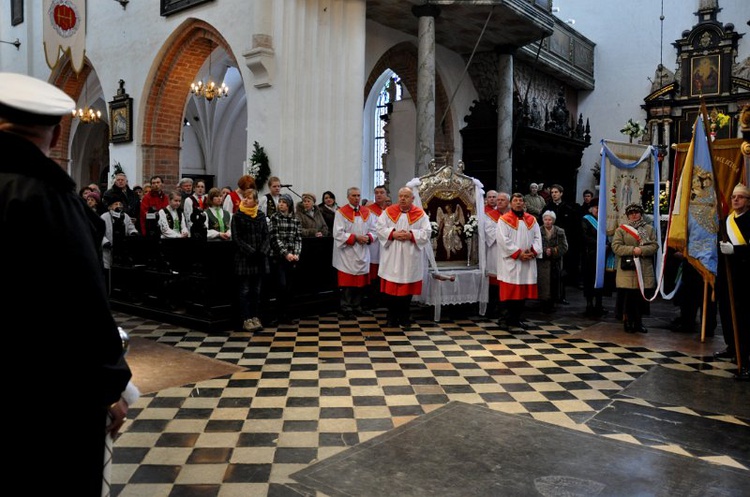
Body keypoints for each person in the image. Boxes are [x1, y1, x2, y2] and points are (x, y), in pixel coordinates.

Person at [0, 71, 137, 495]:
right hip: (43, 396)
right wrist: (109, 387)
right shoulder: (49, 198)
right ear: (57, 134)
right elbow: (82, 304)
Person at [376, 186, 431, 328]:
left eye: (406, 196)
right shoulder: (388, 212)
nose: (403, 199)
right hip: (392, 255)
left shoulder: (420, 214)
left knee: (407, 288)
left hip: (410, 255)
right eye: (401, 196)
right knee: (390, 289)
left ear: (412, 199)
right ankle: (392, 316)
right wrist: (392, 234)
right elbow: (379, 228)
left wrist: (411, 235)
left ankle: (405, 315)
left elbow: (427, 232)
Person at [716, 184, 750, 380]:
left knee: (744, 320)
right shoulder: (726, 221)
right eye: (733, 197)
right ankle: (732, 346)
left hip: (744, 278)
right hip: (726, 275)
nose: (736, 200)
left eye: (740, 197)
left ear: (747, 201)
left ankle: (746, 360)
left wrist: (736, 251)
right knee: (727, 314)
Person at [496, 193, 542, 329]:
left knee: (522, 291)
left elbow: (538, 238)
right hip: (512, 262)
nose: (518, 203)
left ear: (524, 203)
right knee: (509, 292)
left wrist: (533, 251)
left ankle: (516, 318)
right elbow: (503, 240)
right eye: (515, 200)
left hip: (527, 261)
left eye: (520, 201)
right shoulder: (504, 220)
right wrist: (518, 253)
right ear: (511, 204)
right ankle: (504, 319)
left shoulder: (532, 220)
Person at [611, 203, 658, 333]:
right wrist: (633, 250)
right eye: (631, 213)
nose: (634, 215)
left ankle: (638, 323)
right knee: (628, 299)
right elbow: (616, 247)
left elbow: (654, 246)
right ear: (627, 216)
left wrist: (641, 250)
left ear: (641, 214)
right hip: (627, 268)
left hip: (643, 268)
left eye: (636, 212)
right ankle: (627, 321)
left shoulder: (648, 229)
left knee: (640, 299)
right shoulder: (621, 230)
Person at [332, 187, 376, 318]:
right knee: (348, 283)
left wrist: (368, 237)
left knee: (360, 282)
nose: (357, 198)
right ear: (348, 197)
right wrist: (356, 237)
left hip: (362, 250)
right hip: (347, 253)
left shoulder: (367, 212)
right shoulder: (341, 213)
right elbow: (338, 234)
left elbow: (374, 229)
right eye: (353, 196)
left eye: (358, 195)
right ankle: (345, 307)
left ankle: (357, 306)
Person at [232, 188, 271, 332]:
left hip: (259, 258)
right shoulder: (238, 216)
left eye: (249, 198)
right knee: (245, 290)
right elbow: (237, 238)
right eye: (245, 198)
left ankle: (255, 317)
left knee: (257, 290)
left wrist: (263, 251)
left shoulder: (260, 216)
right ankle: (246, 318)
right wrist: (251, 251)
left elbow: (266, 236)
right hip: (245, 258)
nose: (245, 200)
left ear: (255, 201)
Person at [268, 193, 302, 325]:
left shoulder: (295, 219)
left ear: (289, 205)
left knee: (289, 288)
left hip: (292, 258)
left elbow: (298, 238)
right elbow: (274, 238)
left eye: (284, 202)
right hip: (279, 257)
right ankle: (277, 314)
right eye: (280, 202)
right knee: (280, 286)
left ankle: (286, 314)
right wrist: (285, 253)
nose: (281, 204)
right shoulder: (274, 217)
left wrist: (297, 253)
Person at [545, 183, 580, 299]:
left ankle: (562, 294)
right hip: (550, 242)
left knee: (563, 269)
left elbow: (574, 225)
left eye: (556, 192)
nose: (554, 194)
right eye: (552, 192)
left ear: (561, 193)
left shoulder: (568, 208)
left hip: (564, 241)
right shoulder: (548, 207)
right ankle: (552, 294)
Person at [101, 199, 139, 292]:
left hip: (122, 248)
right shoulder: (104, 217)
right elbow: (100, 232)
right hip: (109, 249)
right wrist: (105, 242)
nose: (118, 205)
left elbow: (130, 227)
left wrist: (133, 233)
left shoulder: (125, 216)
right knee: (108, 271)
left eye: (120, 204)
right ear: (110, 207)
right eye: (116, 204)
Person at [537, 211, 569, 313]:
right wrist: (544, 250)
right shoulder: (538, 230)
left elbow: (564, 246)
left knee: (554, 283)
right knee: (542, 283)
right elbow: (534, 244)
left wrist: (553, 251)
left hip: (555, 262)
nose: (547, 222)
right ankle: (542, 303)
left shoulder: (560, 231)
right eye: (545, 219)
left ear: (553, 221)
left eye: (549, 220)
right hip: (541, 261)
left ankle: (552, 303)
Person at [581, 198, 608, 317]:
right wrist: (600, 243)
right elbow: (584, 237)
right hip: (590, 255)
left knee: (601, 280)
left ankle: (599, 304)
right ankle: (589, 304)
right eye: (596, 208)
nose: (598, 210)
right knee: (589, 279)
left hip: (602, 255)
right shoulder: (586, 220)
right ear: (591, 209)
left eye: (599, 208)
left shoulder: (604, 221)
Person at [366, 185, 389, 309]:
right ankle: (373, 299)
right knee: (374, 273)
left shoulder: (391, 210)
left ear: (386, 195)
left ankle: (385, 299)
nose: (379, 195)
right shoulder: (369, 210)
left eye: (381, 192)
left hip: (387, 246)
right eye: (376, 192)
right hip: (374, 246)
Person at [484, 190, 502, 318]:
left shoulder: (506, 214)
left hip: (505, 252)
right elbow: (489, 233)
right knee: (492, 279)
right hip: (492, 250)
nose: (492, 199)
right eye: (489, 197)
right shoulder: (484, 213)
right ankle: (490, 308)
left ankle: (501, 308)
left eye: (494, 197)